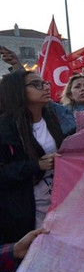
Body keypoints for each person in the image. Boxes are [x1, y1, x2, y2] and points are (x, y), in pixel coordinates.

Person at [0, 70, 65, 244]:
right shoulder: (5, 127)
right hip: (25, 208)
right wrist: (36, 165)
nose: (44, 87)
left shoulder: (52, 118)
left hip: (57, 200)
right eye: (36, 84)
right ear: (18, 90)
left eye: (44, 83)